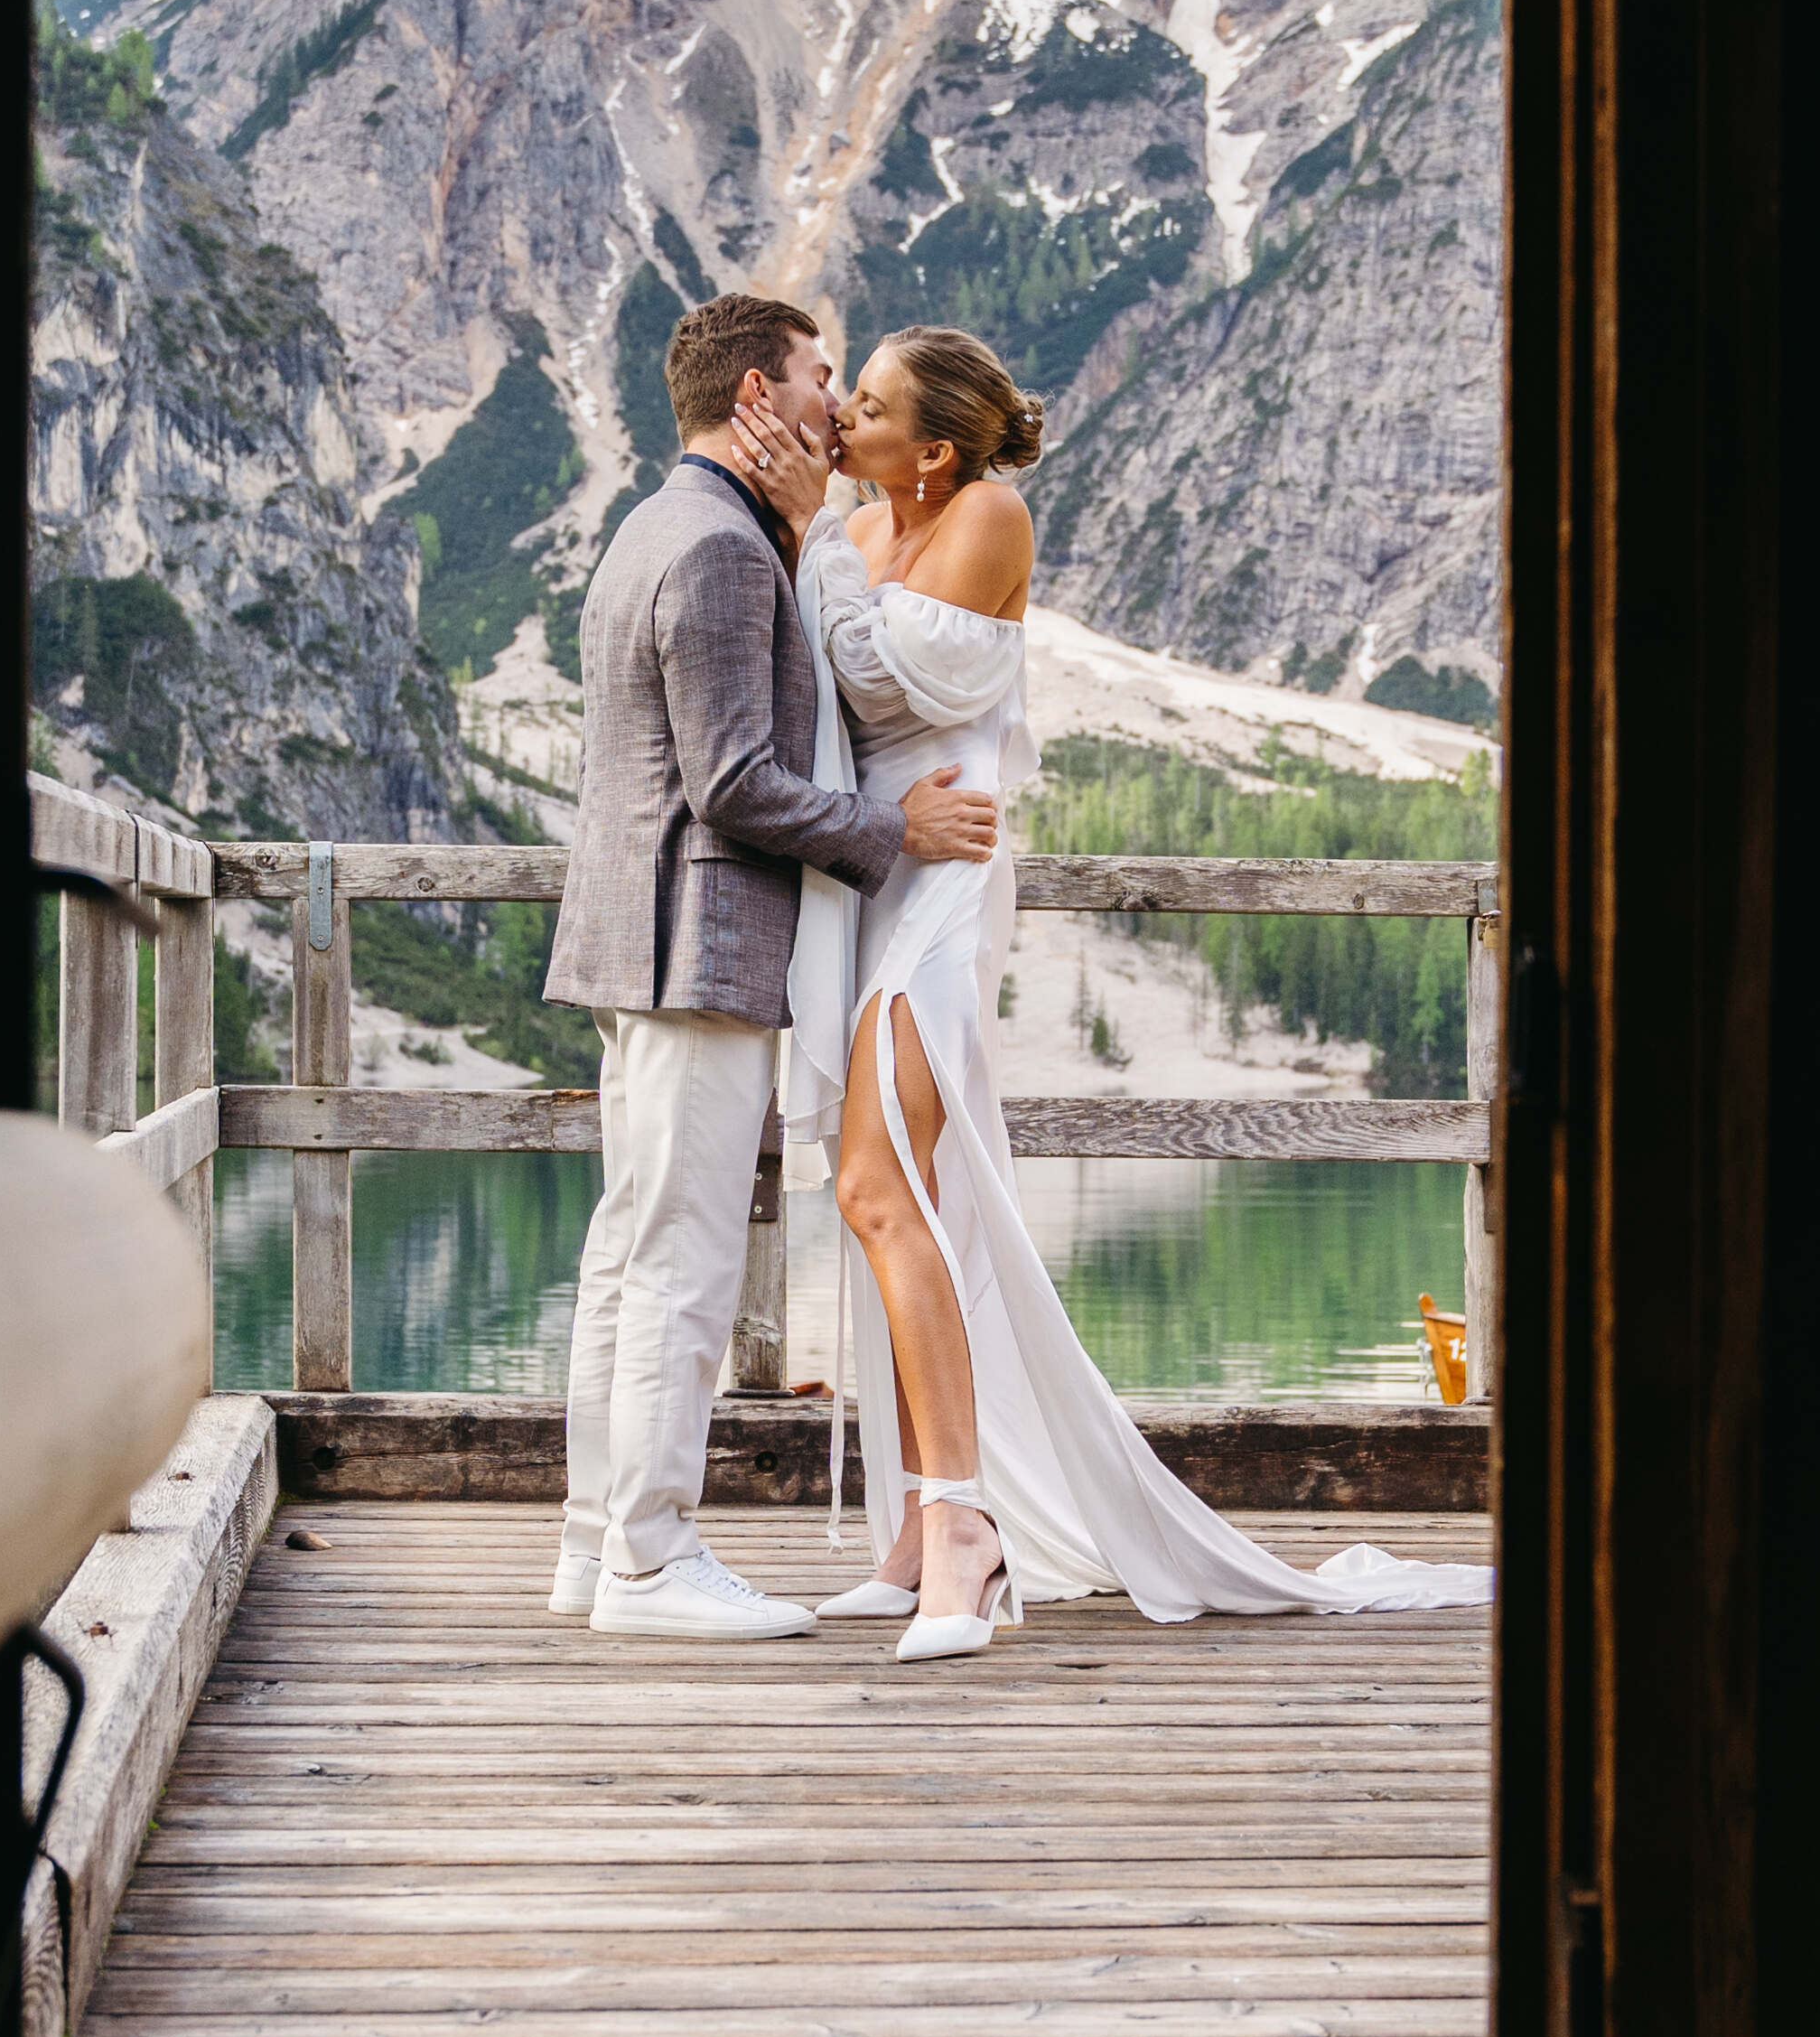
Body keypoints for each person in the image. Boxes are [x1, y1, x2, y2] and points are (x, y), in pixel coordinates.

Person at [727, 321, 1492, 1661]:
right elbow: (818, 699)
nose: (842, 418)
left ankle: (963, 1528)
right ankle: (921, 1530)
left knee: (878, 1182)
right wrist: (807, 546)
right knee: (910, 1199)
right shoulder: (852, 537)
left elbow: (905, 678)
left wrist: (803, 543)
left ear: (936, 448)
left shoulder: (988, 517)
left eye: (870, 404)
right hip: (874, 873)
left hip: (947, 887)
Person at [546, 289, 1001, 1640]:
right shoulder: (731, 552)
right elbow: (735, 781)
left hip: (642, 944)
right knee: (679, 1258)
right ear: (755, 395)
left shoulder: (658, 525)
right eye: (814, 377)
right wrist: (893, 828)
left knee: (627, 1253)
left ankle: (593, 1547)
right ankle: (649, 1559)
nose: (829, 405)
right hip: (702, 944)